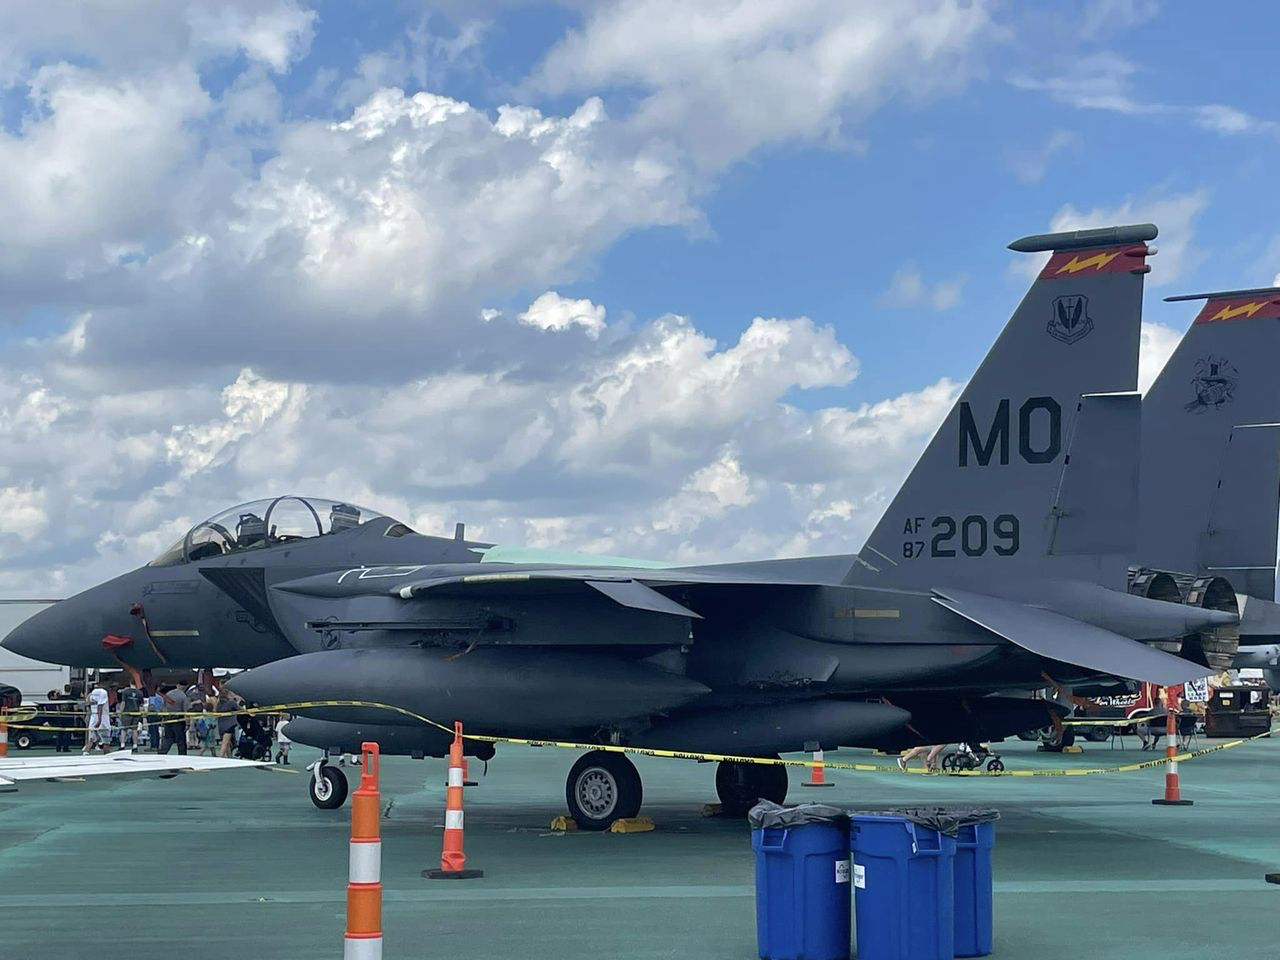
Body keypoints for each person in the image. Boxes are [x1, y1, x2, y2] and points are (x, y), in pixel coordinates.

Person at [158, 684, 190, 755]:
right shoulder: (183, 696)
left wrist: (164, 718)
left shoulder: (168, 694)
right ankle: (182, 756)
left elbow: (163, 708)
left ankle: (162, 753)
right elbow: (186, 711)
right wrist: (187, 723)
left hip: (168, 719)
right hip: (179, 720)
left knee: (168, 738)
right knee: (181, 740)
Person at [83, 678, 112, 754]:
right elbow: (100, 705)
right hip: (102, 718)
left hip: (93, 716)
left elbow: (87, 703)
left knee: (91, 739)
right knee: (106, 740)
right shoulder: (103, 692)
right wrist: (99, 719)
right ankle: (107, 755)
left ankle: (86, 753)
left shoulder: (92, 693)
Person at [117, 681, 143, 751]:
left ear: (130, 683)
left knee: (124, 729)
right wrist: (141, 713)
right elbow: (141, 706)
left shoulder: (126, 692)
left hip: (127, 712)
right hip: (136, 713)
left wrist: (120, 712)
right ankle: (135, 746)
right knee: (134, 730)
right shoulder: (140, 693)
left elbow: (123, 702)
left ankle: (122, 745)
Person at [216, 691, 239, 758]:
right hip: (229, 725)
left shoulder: (218, 704)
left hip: (221, 725)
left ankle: (229, 757)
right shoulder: (231, 703)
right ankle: (221, 756)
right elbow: (240, 709)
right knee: (225, 742)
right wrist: (237, 700)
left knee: (227, 742)